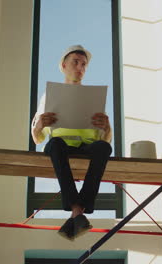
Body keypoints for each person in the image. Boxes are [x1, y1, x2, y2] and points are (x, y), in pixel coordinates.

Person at [31, 45, 112, 240]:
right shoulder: (48, 97)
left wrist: (107, 128)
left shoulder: (92, 98)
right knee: (55, 144)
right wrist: (39, 125)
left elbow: (104, 141)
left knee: (103, 147)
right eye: (75, 62)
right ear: (63, 65)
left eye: (84, 64)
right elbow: (37, 138)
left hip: (87, 147)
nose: (80, 67)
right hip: (61, 147)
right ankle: (78, 210)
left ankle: (76, 212)